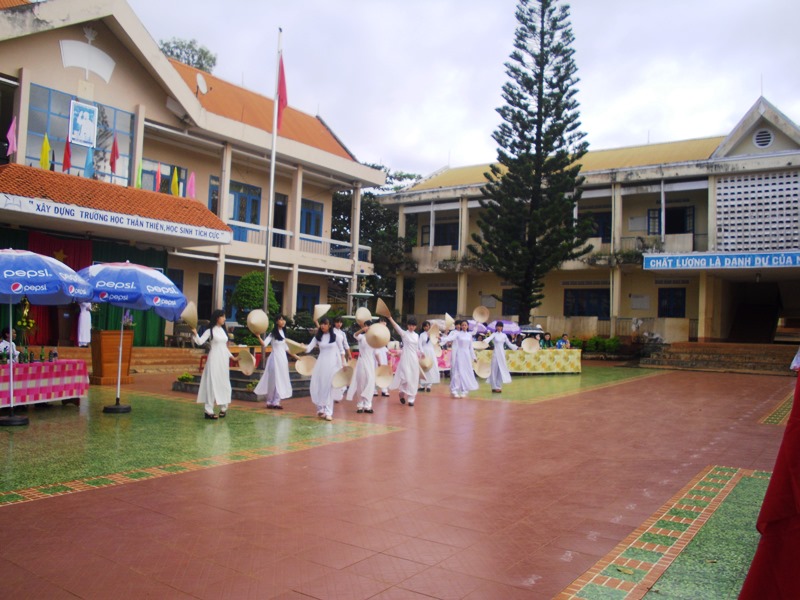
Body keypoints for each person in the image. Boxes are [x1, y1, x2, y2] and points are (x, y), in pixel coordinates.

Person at [192, 310, 238, 420]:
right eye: (223, 317)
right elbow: (199, 342)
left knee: (224, 382)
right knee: (211, 383)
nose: (225, 319)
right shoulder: (210, 331)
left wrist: (232, 357)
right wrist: (195, 333)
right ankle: (208, 410)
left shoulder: (223, 330)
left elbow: (224, 347)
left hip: (223, 360)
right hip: (214, 359)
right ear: (217, 318)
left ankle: (224, 408)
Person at [304, 317, 346, 421]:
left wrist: (343, 363)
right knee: (320, 386)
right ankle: (321, 409)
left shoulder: (335, 336)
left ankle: (328, 412)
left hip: (332, 365)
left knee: (329, 387)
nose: (322, 326)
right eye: (321, 324)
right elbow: (308, 348)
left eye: (325, 324)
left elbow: (342, 350)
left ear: (330, 325)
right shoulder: (318, 337)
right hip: (321, 364)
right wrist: (301, 347)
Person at [254, 315, 298, 410]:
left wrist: (297, 357)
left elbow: (287, 349)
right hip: (274, 358)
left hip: (283, 359)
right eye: (280, 319)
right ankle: (269, 401)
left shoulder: (284, 333)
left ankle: (277, 401)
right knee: (272, 380)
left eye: (283, 319)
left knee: (281, 379)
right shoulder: (273, 334)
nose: (283, 321)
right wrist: (258, 337)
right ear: (277, 321)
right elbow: (264, 344)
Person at [386, 315, 421, 407]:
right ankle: (402, 392)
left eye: (413, 325)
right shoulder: (404, 334)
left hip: (414, 359)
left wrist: (421, 354)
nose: (411, 327)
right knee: (406, 376)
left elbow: (417, 348)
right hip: (405, 358)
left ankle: (411, 399)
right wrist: (390, 318)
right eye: (410, 325)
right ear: (407, 325)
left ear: (415, 326)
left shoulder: (417, 336)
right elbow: (396, 326)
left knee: (413, 378)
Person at [442, 319, 479, 398]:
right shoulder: (458, 334)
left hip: (467, 355)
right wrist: (441, 338)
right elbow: (449, 338)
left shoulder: (469, 335)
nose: (464, 326)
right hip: (459, 354)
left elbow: (471, 347)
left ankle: (464, 390)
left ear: (467, 326)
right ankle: (454, 389)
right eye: (462, 325)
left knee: (466, 371)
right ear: (461, 326)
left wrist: (474, 357)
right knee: (457, 371)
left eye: (465, 325)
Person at [347, 320, 377, 413]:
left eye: (369, 326)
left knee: (370, 382)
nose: (368, 328)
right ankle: (360, 405)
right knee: (361, 383)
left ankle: (368, 405)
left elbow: (377, 351)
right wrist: (362, 330)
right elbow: (354, 335)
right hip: (362, 361)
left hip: (370, 362)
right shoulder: (361, 337)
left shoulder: (374, 338)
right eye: (366, 326)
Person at [483, 321, 518, 393]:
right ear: (496, 327)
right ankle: (493, 387)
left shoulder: (504, 335)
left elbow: (509, 344)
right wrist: (483, 342)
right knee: (494, 370)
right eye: (498, 326)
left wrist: (517, 347)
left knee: (500, 370)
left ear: (502, 328)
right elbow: (489, 339)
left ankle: (498, 386)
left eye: (500, 326)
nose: (499, 328)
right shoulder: (494, 334)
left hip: (501, 354)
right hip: (495, 353)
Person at [330, 316, 351, 403]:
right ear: (334, 323)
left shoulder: (342, 333)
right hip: (332, 355)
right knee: (334, 374)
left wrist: (349, 354)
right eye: (337, 322)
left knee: (342, 373)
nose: (339, 324)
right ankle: (332, 394)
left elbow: (346, 344)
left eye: (340, 322)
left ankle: (339, 393)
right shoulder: (331, 331)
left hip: (341, 355)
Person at [418, 320, 440, 392]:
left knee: (431, 368)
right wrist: (422, 352)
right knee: (424, 367)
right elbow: (420, 344)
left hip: (431, 352)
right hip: (424, 352)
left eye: (427, 326)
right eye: (424, 326)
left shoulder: (433, 334)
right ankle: (422, 385)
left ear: (429, 326)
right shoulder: (422, 335)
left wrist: (436, 337)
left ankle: (429, 386)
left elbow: (437, 342)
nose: (426, 328)